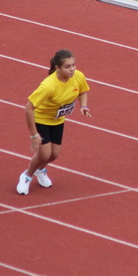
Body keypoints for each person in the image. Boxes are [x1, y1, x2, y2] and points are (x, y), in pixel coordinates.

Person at [17, 49, 90, 195]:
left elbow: (83, 91)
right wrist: (33, 135)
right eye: (67, 67)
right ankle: (27, 176)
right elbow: (28, 108)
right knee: (44, 154)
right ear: (58, 68)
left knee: (54, 154)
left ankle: (40, 170)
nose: (72, 69)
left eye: (73, 65)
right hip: (42, 119)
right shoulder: (48, 86)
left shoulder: (78, 76)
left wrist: (83, 105)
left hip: (57, 120)